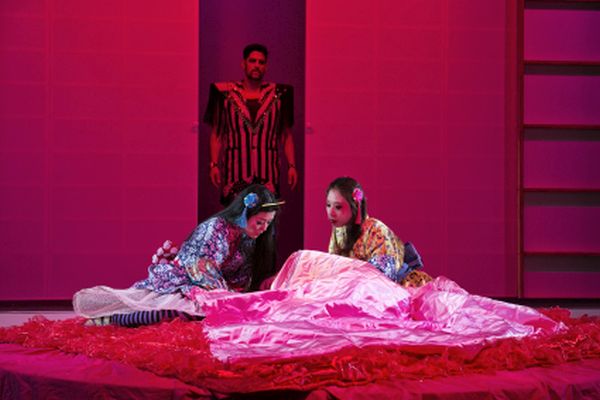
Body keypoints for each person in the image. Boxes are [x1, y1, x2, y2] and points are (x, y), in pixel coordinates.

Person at [73, 184, 284, 327]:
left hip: (214, 288)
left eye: (268, 223)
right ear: (244, 213)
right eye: (260, 222)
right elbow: (201, 269)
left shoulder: (249, 238)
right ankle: (114, 319)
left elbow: (242, 277)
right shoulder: (215, 228)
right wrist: (226, 297)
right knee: (181, 313)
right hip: (188, 282)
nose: (264, 228)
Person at [204, 43, 298, 205]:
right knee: (237, 216)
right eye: (252, 61)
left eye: (261, 62)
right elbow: (217, 133)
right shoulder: (226, 94)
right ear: (244, 64)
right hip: (236, 172)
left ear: (266, 66)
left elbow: (286, 134)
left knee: (264, 217)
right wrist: (214, 164)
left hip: (267, 173)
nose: (256, 66)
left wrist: (292, 165)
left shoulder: (278, 95)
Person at [326, 176, 432, 287]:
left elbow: (381, 276)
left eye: (338, 207)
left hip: (393, 285)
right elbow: (333, 262)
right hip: (356, 285)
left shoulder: (376, 229)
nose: (330, 212)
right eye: (328, 205)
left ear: (355, 206)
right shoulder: (339, 230)